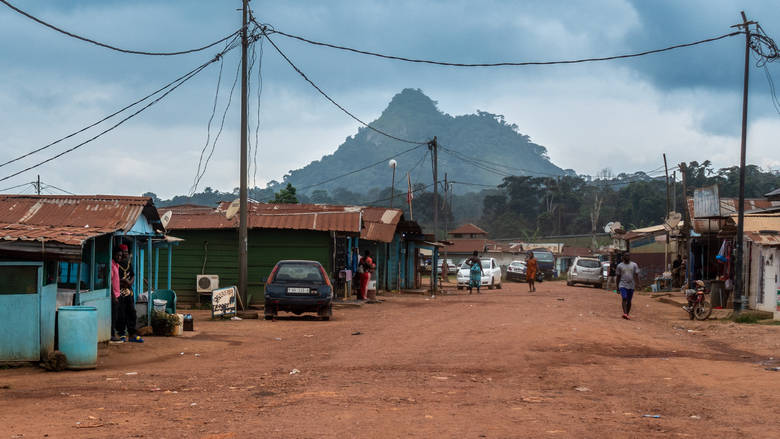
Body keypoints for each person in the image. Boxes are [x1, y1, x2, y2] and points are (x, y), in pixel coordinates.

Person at [116, 244, 143, 342]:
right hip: (119, 292)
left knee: (132, 312)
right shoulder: (116, 264)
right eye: (124, 252)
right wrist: (123, 282)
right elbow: (114, 279)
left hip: (129, 292)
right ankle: (121, 334)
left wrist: (129, 282)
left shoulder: (128, 264)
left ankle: (132, 334)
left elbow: (132, 275)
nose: (126, 254)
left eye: (127, 252)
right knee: (121, 313)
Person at [615, 253, 640, 320]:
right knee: (624, 298)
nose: (627, 257)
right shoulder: (619, 266)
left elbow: (636, 275)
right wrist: (617, 287)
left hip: (631, 285)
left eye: (628, 256)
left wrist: (638, 284)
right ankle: (625, 313)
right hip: (622, 285)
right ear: (623, 257)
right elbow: (618, 277)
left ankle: (627, 314)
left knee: (629, 300)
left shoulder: (634, 265)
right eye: (625, 256)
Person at [110, 248, 123, 343]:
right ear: (114, 255)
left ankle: (113, 333)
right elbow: (109, 282)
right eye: (117, 255)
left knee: (116, 316)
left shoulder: (117, 265)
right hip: (113, 296)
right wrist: (114, 296)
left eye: (120, 256)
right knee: (113, 317)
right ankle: (111, 335)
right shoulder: (111, 265)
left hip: (117, 294)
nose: (119, 257)